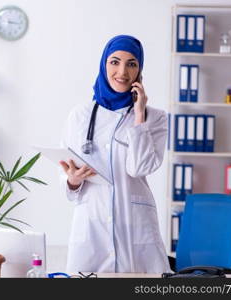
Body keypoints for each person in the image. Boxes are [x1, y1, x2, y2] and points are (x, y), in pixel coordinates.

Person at [59, 35, 170, 273]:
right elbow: (68, 182)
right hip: (91, 224)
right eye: (115, 62)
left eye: (132, 64)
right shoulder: (80, 115)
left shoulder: (156, 118)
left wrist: (139, 116)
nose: (122, 71)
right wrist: (73, 180)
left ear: (140, 69)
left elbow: (139, 168)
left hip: (135, 225)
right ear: (103, 64)